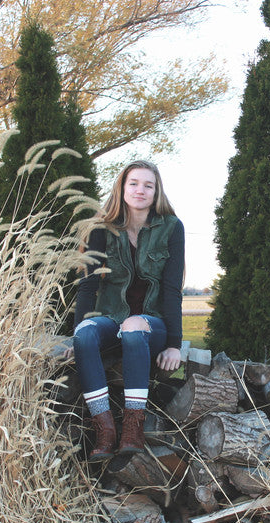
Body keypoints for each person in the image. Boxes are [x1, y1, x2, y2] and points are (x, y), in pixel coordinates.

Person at [73, 160, 184, 460]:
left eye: (148, 185)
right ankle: (105, 429)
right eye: (133, 183)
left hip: (152, 324)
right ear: (122, 187)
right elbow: (88, 286)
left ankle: (133, 429)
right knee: (84, 334)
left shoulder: (171, 228)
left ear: (156, 192)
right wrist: (74, 333)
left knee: (134, 325)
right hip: (111, 319)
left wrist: (174, 344)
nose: (140, 190)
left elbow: (172, 289)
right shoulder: (101, 229)